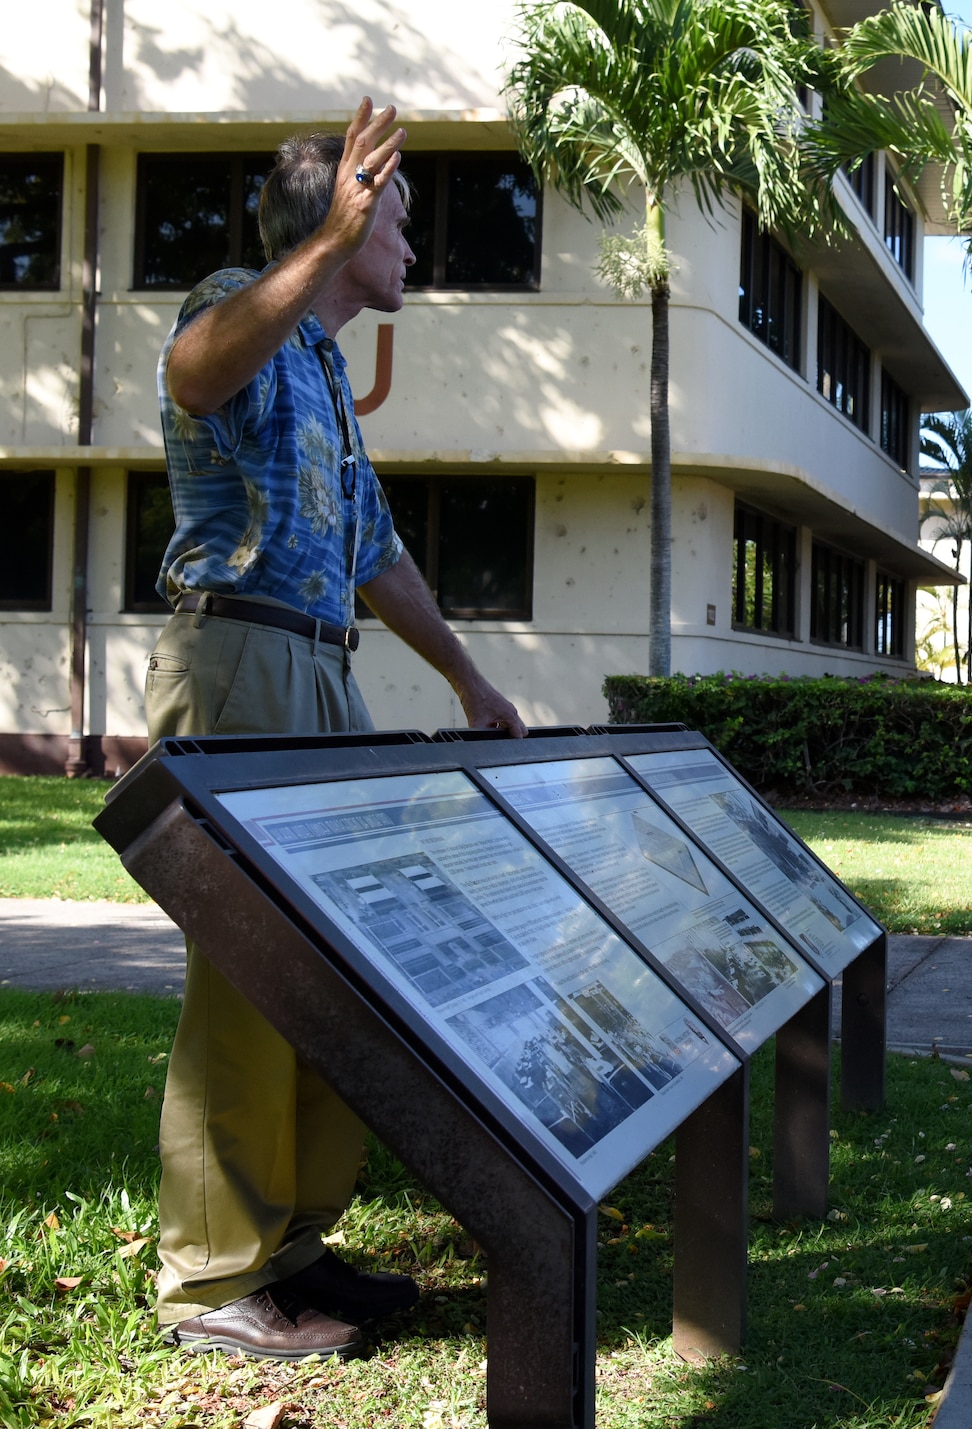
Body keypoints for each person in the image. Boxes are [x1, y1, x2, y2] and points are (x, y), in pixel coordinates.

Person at [149, 100, 526, 1361]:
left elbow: (378, 554)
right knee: (250, 974)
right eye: (396, 226)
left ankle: (292, 1247)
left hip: (320, 674)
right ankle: (214, 1281)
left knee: (333, 975)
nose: (410, 250)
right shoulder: (241, 306)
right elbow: (193, 371)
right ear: (340, 222)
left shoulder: (318, 366)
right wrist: (319, 247)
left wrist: (469, 680)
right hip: (239, 653)